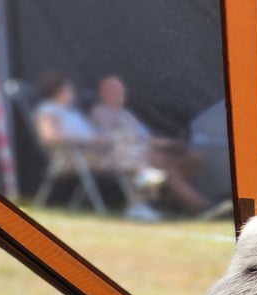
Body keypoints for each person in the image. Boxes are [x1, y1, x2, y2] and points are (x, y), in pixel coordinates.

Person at [34, 70, 163, 221]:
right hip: (73, 157)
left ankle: (140, 201)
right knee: (135, 162)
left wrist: (100, 139)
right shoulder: (48, 110)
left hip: (91, 153)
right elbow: (49, 136)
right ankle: (139, 204)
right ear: (60, 91)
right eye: (69, 89)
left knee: (136, 154)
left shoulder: (71, 112)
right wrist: (88, 140)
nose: (72, 93)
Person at [90, 75, 211, 216]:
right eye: (114, 91)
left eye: (120, 91)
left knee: (194, 158)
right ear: (103, 93)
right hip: (128, 154)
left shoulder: (127, 114)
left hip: (149, 149)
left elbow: (145, 135)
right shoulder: (100, 113)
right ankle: (200, 205)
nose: (119, 95)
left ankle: (171, 200)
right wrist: (153, 143)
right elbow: (115, 139)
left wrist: (167, 143)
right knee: (164, 164)